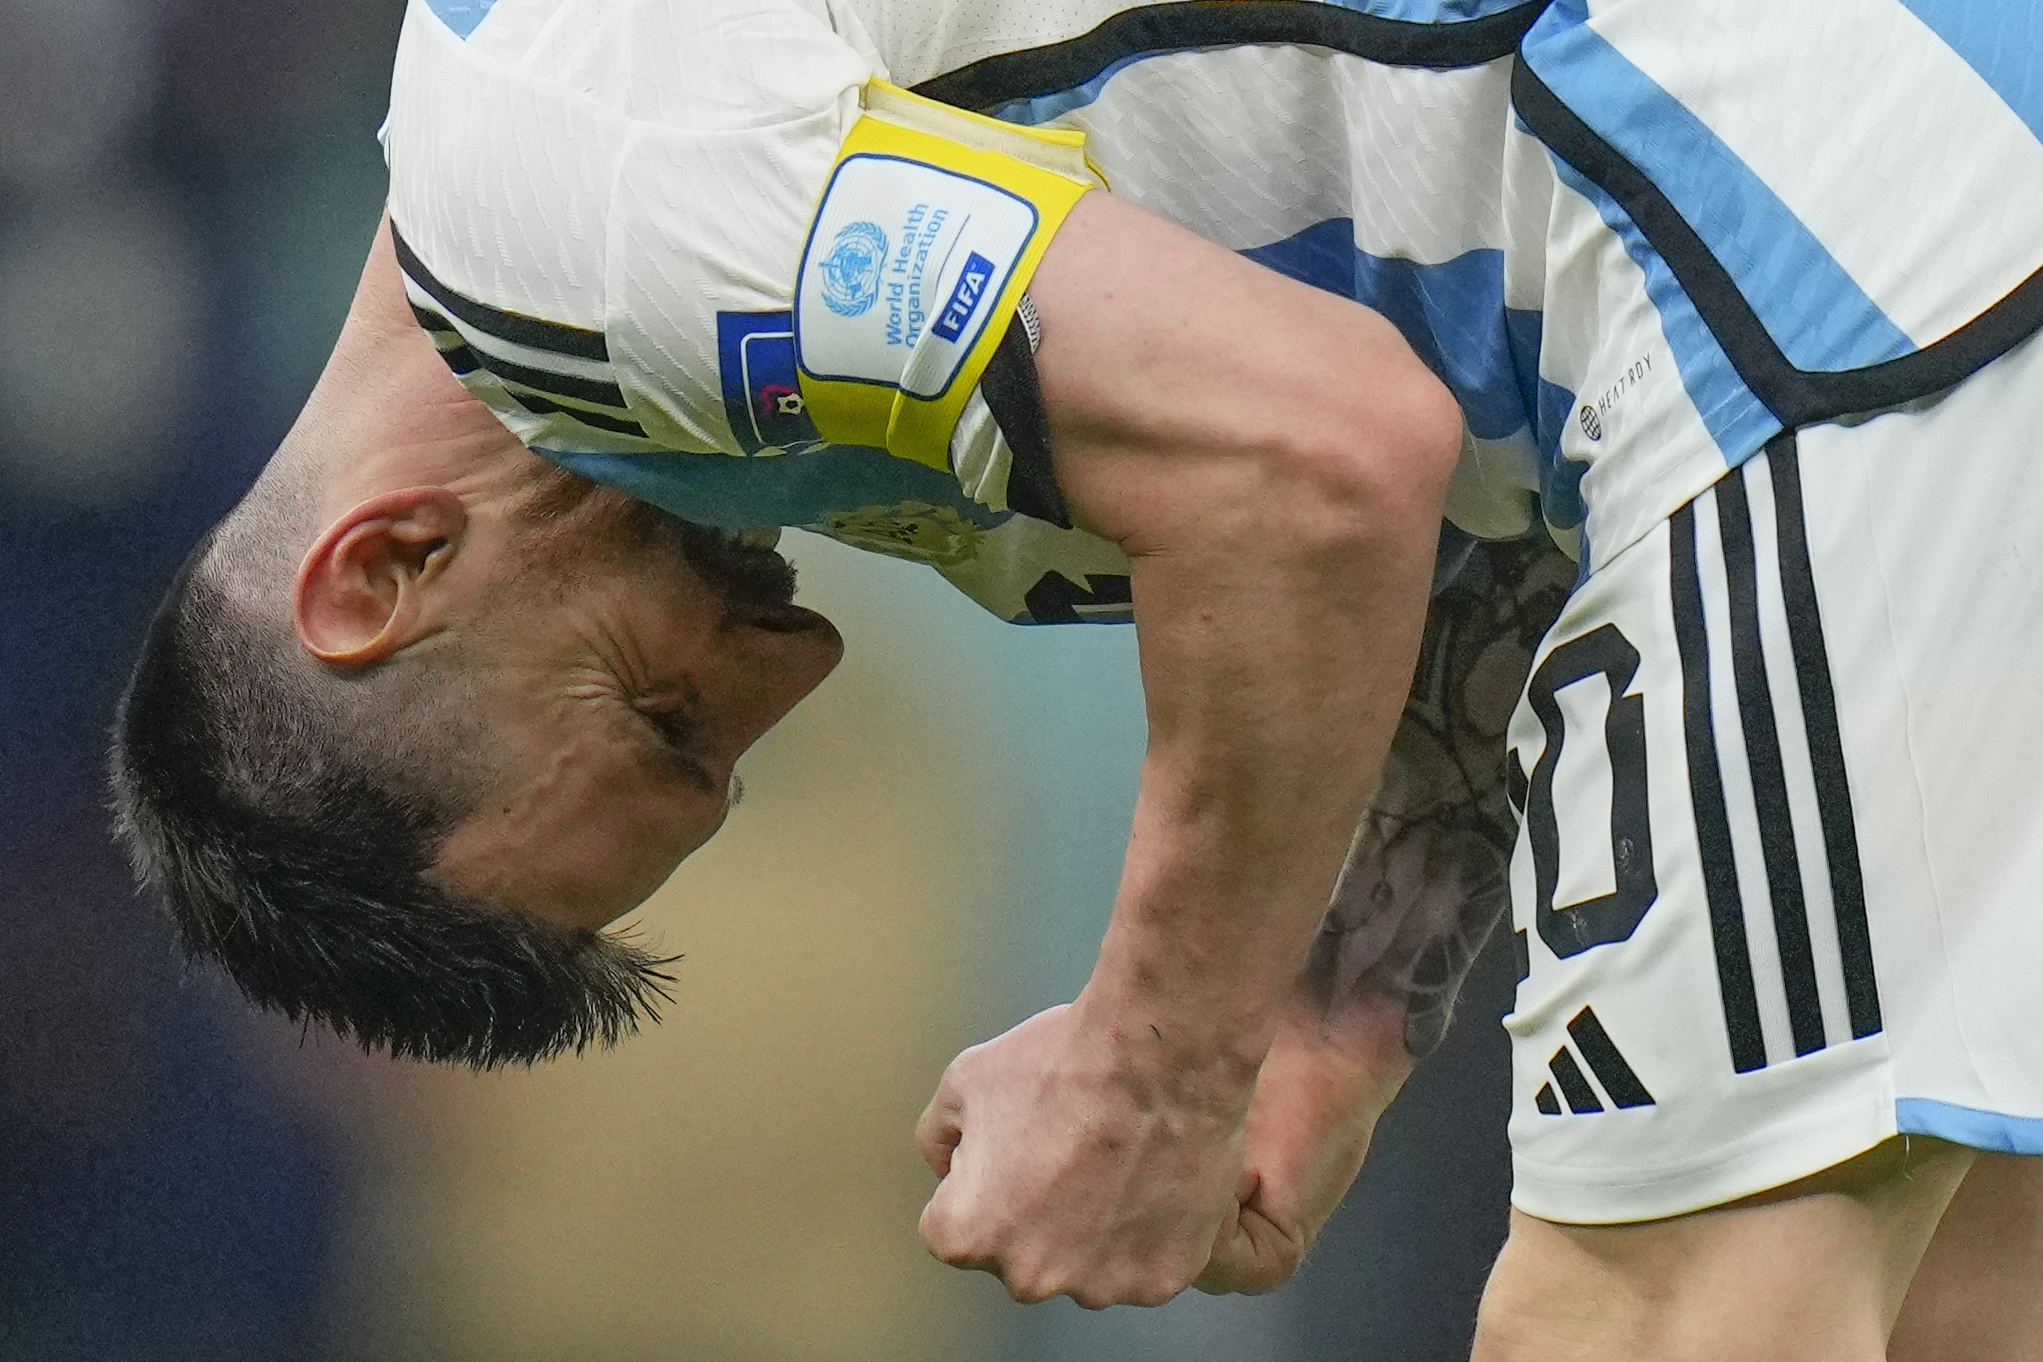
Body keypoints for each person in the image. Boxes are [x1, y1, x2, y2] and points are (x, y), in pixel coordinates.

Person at [109, 0, 2043, 1351]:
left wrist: (1152, 1065)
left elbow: (1322, 457)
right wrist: (1326, 1012)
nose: (795, 665)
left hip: (1834, 243)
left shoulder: (581, 216)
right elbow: (1471, 451)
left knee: (1645, 1314)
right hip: (1858, 241)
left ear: (383, 574)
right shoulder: (666, 244)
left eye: (659, 712)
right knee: (1957, 1281)